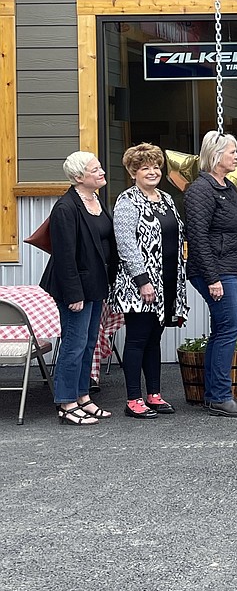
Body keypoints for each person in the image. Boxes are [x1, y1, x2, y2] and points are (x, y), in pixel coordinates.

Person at [109, 143, 188, 419]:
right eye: (145, 168)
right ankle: (133, 398)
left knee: (155, 340)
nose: (153, 172)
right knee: (137, 340)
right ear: (133, 172)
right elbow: (127, 245)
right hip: (139, 285)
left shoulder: (166, 199)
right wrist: (143, 280)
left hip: (166, 283)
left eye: (156, 167)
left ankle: (154, 394)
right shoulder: (127, 201)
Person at [40, 151, 119, 426]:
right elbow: (64, 256)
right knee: (73, 345)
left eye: (100, 167)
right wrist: (74, 295)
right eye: (95, 169)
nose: (102, 172)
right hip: (76, 289)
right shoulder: (65, 208)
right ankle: (66, 403)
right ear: (78, 177)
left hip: (96, 285)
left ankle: (83, 397)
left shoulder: (95, 200)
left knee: (88, 344)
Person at [185, 131, 237, 418]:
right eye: (232, 152)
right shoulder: (200, 191)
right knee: (229, 328)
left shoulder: (227, 187)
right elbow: (198, 237)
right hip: (213, 269)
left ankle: (216, 394)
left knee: (223, 330)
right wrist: (212, 278)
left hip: (230, 266)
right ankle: (219, 396)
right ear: (215, 156)